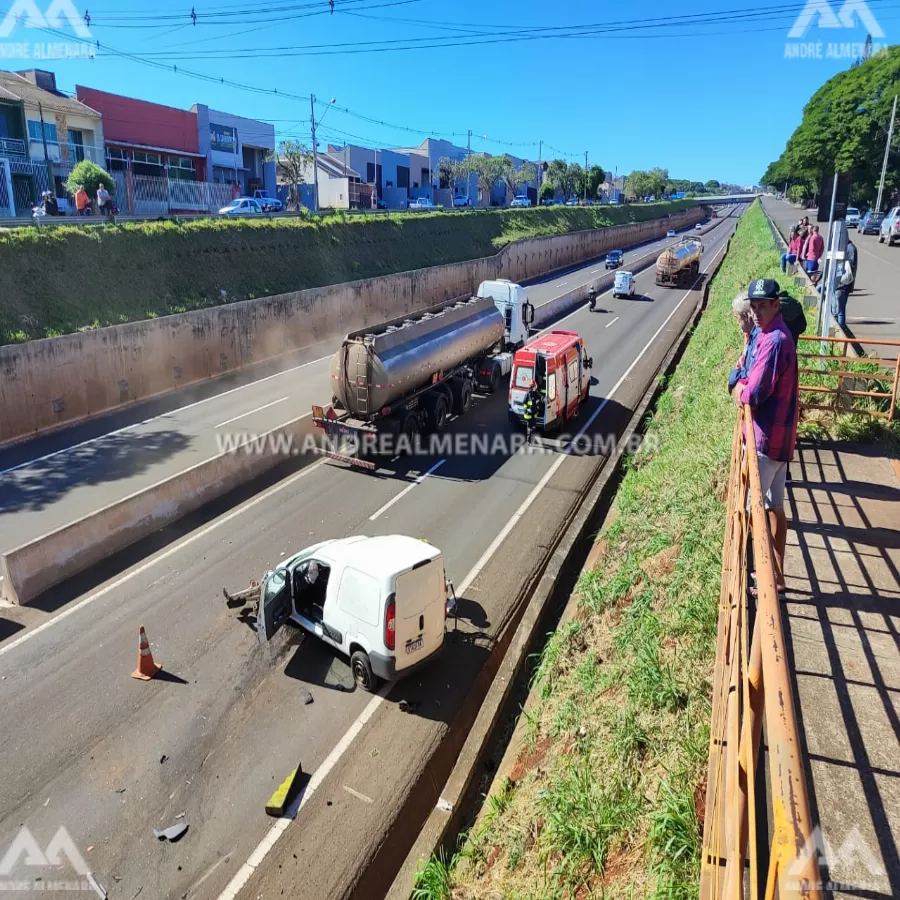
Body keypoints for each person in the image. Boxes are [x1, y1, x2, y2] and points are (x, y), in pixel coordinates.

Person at [738, 279, 800, 598]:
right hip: (781, 439)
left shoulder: (774, 340)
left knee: (755, 511)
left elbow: (757, 390)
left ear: (776, 305)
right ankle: (777, 574)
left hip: (765, 440)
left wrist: (740, 392)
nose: (757, 311)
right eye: (754, 305)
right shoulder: (774, 334)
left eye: (763, 305)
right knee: (775, 506)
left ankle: (765, 576)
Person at [728, 294, 759, 393]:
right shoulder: (751, 335)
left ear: (746, 316)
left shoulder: (758, 337)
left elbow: (750, 371)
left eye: (737, 318)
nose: (737, 322)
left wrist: (734, 378)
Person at [523, 379, 540, 444]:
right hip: (529, 414)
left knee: (533, 427)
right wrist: (527, 409)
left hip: (534, 413)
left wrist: (538, 407)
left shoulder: (536, 393)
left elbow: (539, 400)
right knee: (529, 427)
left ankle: (531, 440)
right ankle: (528, 440)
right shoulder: (528, 394)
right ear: (532, 386)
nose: (536, 387)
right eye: (534, 386)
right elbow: (524, 403)